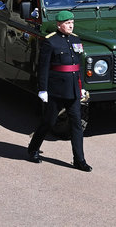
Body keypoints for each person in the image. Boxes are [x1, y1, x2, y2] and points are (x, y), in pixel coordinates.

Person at [27, 10, 91, 172]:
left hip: (73, 89)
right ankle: (33, 148)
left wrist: (82, 86)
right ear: (59, 25)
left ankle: (79, 159)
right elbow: (43, 68)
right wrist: (43, 89)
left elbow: (79, 66)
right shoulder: (51, 42)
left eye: (72, 23)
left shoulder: (76, 39)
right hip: (56, 90)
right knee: (49, 122)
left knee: (76, 124)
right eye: (67, 23)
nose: (71, 26)